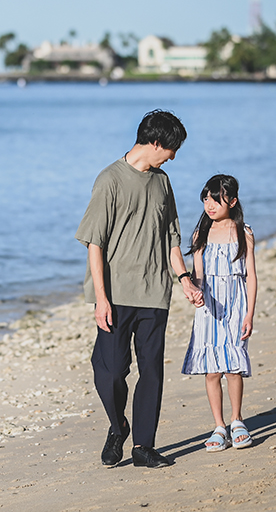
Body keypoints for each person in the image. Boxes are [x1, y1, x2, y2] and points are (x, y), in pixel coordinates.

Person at [75, 109, 202, 469]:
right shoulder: (110, 180)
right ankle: (118, 427)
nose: (173, 157)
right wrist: (101, 298)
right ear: (156, 143)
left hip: (154, 293)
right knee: (111, 371)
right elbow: (94, 243)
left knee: (152, 372)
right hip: (115, 294)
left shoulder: (163, 182)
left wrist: (184, 280)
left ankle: (144, 446)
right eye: (171, 149)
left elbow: (171, 238)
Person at [181, 174, 258, 451]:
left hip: (236, 307)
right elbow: (198, 276)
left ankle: (238, 420)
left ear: (233, 201)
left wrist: (250, 313)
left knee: (233, 367)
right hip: (209, 309)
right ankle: (219, 426)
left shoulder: (243, 233)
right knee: (212, 370)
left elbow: (250, 276)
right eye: (206, 199)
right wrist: (195, 293)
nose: (210, 205)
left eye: (216, 199)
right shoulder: (200, 234)